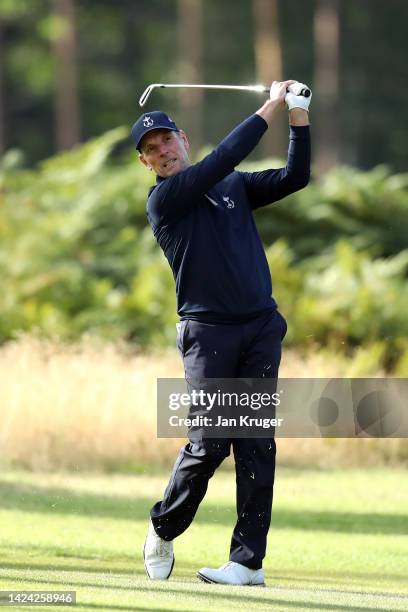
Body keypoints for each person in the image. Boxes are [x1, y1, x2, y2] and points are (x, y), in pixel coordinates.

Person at [131, 80, 311, 586]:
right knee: (210, 442)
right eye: (151, 149)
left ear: (182, 137)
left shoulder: (231, 187)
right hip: (207, 333)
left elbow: (296, 177)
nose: (162, 151)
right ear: (146, 163)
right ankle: (163, 526)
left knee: (256, 442)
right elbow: (226, 157)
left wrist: (298, 114)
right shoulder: (165, 200)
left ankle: (247, 562)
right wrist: (272, 104)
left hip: (259, 327)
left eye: (165, 139)